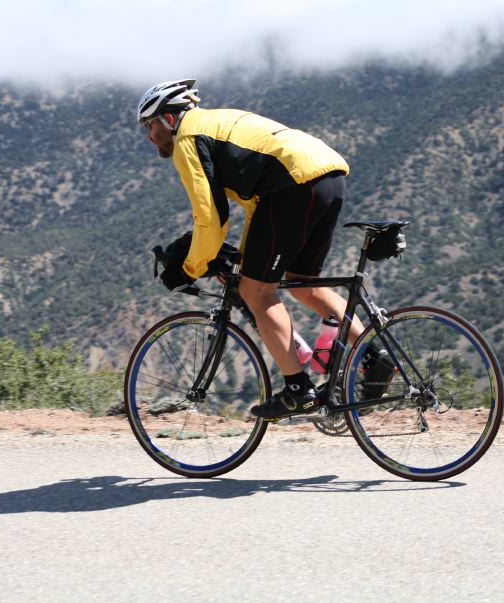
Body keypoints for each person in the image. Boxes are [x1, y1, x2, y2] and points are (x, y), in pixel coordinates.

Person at [137, 78, 394, 420]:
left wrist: (190, 268)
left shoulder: (187, 138)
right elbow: (255, 206)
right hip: (328, 175)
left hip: (293, 186)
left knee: (256, 292)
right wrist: (242, 258)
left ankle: (297, 391)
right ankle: (374, 359)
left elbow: (210, 216)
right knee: (304, 281)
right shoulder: (214, 122)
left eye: (149, 124)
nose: (149, 136)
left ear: (169, 119)